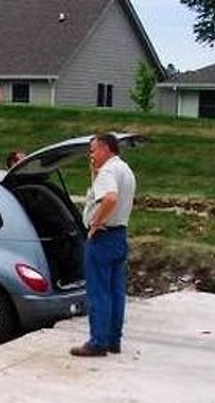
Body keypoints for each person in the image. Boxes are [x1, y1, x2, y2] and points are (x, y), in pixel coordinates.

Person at [70, 133, 136, 357]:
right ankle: (113, 340)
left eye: (93, 150)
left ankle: (98, 341)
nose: (91, 155)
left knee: (99, 292)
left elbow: (110, 198)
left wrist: (95, 223)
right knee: (116, 291)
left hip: (103, 236)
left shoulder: (108, 171)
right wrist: (93, 173)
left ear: (106, 149)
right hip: (119, 235)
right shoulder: (125, 169)